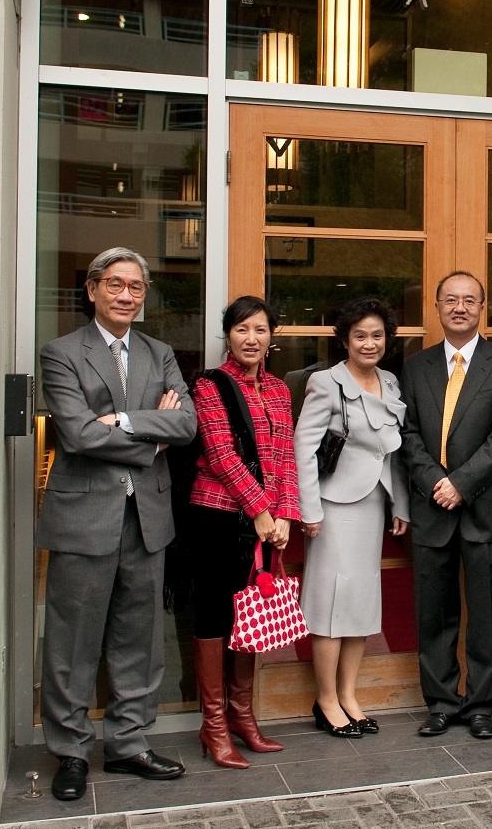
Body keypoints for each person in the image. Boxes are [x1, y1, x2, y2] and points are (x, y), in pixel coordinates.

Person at [35, 247, 197, 801]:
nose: (126, 295)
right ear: (92, 290)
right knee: (72, 639)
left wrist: (125, 419)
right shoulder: (61, 353)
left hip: (146, 516)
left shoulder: (159, 352)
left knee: (140, 637)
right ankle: (71, 750)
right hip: (84, 516)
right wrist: (151, 438)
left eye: (136, 287)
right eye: (115, 284)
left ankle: (128, 743)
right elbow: (78, 433)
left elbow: (187, 424)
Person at [400, 272, 492, 740]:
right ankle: (440, 702)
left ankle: (480, 705)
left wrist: (461, 484)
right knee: (433, 613)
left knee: (487, 614)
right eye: (450, 300)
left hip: (484, 506)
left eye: (469, 300)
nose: (459, 307)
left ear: (481, 308)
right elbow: (408, 433)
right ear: (437, 307)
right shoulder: (416, 366)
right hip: (431, 505)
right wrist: (436, 482)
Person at [188, 296, 299, 768]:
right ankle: (213, 725)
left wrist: (286, 514)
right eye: (241, 330)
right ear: (228, 335)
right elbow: (220, 454)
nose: (251, 339)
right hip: (216, 515)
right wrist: (259, 510)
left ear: (271, 337)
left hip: (267, 521)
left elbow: (286, 455)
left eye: (260, 330)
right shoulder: (209, 385)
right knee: (215, 615)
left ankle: (242, 716)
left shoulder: (279, 389)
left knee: (248, 614)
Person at [294, 297, 410, 739]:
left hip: (373, 504)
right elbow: (303, 448)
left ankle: (349, 695)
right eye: (360, 335)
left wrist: (400, 504)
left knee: (360, 604)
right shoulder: (326, 381)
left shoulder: (390, 381)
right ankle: (325, 699)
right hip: (333, 508)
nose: (369, 343)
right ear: (345, 339)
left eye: (377, 335)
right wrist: (309, 509)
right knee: (330, 605)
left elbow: (392, 454)